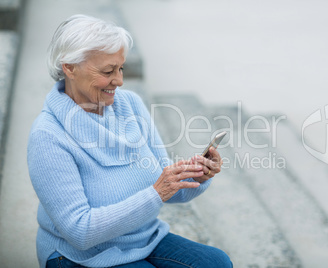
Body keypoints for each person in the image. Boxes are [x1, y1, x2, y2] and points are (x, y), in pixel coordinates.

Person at [27, 14, 232, 268]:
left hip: (141, 237)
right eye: (108, 71)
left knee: (217, 262)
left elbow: (162, 184)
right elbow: (80, 232)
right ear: (69, 67)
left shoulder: (131, 104)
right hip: (78, 254)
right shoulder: (48, 135)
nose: (120, 80)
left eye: (120, 68)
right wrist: (156, 193)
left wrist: (197, 176)